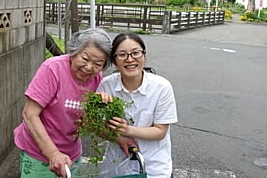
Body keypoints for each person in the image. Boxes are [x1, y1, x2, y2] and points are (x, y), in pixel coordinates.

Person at [13, 28, 113, 177]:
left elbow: (84, 123)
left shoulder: (96, 78)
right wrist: (53, 153)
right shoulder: (53, 69)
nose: (89, 67)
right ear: (73, 52)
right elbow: (29, 115)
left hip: (71, 155)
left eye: (98, 64)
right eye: (85, 59)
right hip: (39, 155)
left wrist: (96, 107)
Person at [97, 32, 178, 178]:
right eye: (122, 55)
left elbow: (160, 131)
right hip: (117, 167)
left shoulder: (161, 87)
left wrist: (126, 129)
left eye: (135, 53)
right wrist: (116, 136)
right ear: (114, 61)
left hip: (153, 168)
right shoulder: (106, 85)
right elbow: (98, 126)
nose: (130, 59)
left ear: (144, 56)